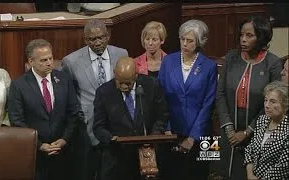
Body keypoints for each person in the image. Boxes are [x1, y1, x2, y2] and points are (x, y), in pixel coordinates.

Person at [215, 16, 283, 180]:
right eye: (241, 35)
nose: (243, 39)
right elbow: (220, 94)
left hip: (256, 133)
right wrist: (229, 128)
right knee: (218, 172)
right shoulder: (231, 57)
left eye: (249, 35)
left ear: (261, 37)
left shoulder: (272, 63)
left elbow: (271, 103)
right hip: (225, 130)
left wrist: (247, 131)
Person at [61, 19, 128, 180]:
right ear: (85, 40)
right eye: (92, 39)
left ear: (108, 36)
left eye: (101, 38)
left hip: (116, 123)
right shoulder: (71, 61)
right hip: (87, 125)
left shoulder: (121, 54)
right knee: (87, 171)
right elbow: (69, 95)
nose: (97, 42)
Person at [8, 39, 84, 180]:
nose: (49, 63)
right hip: (35, 155)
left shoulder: (64, 79)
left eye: (50, 58)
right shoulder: (19, 85)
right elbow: (17, 120)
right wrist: (40, 145)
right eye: (43, 60)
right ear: (31, 61)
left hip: (63, 152)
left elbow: (73, 113)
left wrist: (64, 139)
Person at [158, 19, 218, 180]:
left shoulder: (210, 66)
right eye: (182, 39)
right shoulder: (168, 61)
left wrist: (193, 137)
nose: (184, 43)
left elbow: (209, 104)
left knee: (201, 174)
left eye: (190, 40)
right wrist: (168, 129)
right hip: (171, 133)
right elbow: (160, 98)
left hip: (203, 134)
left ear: (199, 42)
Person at [93, 56, 169, 180]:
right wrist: (110, 138)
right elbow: (98, 126)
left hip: (146, 156)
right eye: (120, 82)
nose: (124, 86)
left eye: (128, 83)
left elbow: (162, 115)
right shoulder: (104, 92)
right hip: (117, 157)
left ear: (136, 75)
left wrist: (154, 135)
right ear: (114, 74)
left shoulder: (152, 85)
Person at [244, 81, 289, 179]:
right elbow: (250, 149)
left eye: (273, 102)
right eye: (265, 100)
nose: (267, 105)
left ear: (285, 104)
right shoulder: (262, 120)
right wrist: (250, 174)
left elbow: (284, 166)